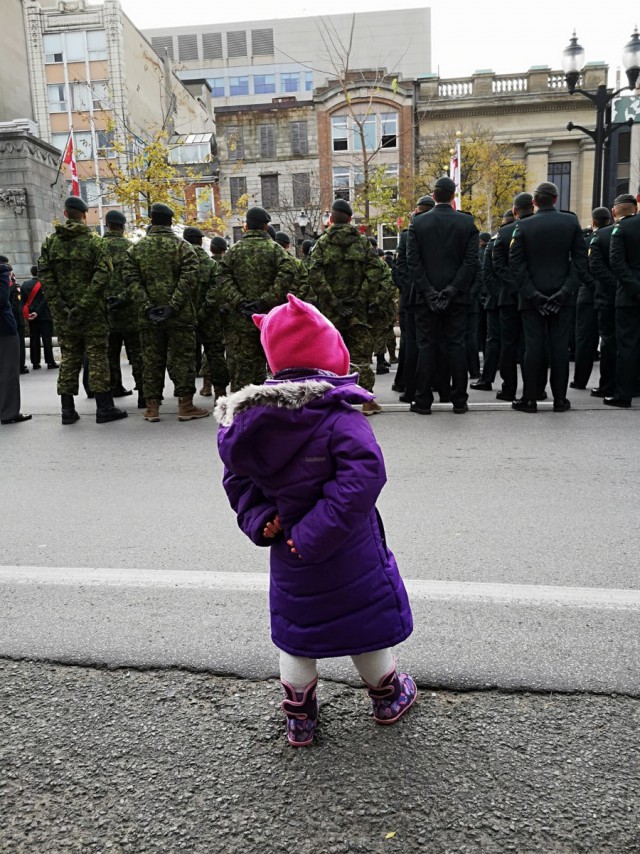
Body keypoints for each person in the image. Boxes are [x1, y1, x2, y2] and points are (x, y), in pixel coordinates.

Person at [215, 293, 416, 747]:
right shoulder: (339, 418)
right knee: (366, 629)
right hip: (347, 548)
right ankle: (387, 697)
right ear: (331, 356)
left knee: (297, 635)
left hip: (288, 550)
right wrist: (315, 534)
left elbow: (238, 481)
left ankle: (300, 718)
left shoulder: (253, 424)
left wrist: (261, 517)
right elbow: (365, 476)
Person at [38, 195, 127, 425]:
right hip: (92, 313)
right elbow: (102, 276)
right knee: (97, 357)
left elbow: (45, 278)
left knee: (69, 358)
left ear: (66, 214)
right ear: (85, 215)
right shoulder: (95, 243)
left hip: (64, 315)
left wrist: (61, 306)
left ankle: (67, 410)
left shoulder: (50, 244)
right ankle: (104, 407)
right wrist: (84, 305)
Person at [124, 202, 209, 422]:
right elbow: (190, 279)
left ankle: (152, 408)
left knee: (151, 360)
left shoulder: (136, 249)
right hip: (179, 317)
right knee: (182, 360)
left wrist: (147, 307)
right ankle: (185, 406)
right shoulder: (184, 248)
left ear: (151, 220)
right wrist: (173, 306)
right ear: (170, 221)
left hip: (149, 317)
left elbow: (131, 281)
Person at [509, 182, 588, 413]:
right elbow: (581, 262)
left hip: (533, 299)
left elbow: (516, 265)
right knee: (560, 349)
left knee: (533, 348)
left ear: (534, 202)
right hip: (562, 298)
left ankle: (530, 399)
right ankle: (560, 400)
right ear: (555, 199)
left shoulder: (523, 226)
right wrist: (564, 292)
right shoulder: (571, 221)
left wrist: (533, 295)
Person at [406, 176, 479, 414]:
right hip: (456, 297)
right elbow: (470, 263)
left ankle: (423, 400)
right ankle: (459, 400)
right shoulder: (467, 223)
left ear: (434, 196)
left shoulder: (418, 224)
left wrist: (429, 292)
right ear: (452, 196)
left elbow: (413, 263)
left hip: (426, 298)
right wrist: (451, 291)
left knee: (426, 346)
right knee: (456, 345)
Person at [308, 198, 388, 415]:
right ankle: (367, 401)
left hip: (331, 312)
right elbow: (376, 270)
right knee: (361, 354)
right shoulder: (362, 243)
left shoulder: (322, 244)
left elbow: (314, 274)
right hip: (357, 310)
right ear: (351, 219)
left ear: (331, 219)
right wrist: (359, 297)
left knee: (329, 356)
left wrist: (334, 301)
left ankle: (332, 400)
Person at [216, 206, 298, 392]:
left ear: (246, 226)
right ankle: (265, 409)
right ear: (265, 226)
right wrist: (264, 301)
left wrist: (239, 302)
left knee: (242, 369)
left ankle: (241, 412)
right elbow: (287, 276)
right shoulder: (276, 251)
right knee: (271, 365)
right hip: (269, 319)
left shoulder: (233, 252)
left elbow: (221, 278)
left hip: (240, 319)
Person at [589, 195, 633, 398]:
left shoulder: (604, 235)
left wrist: (617, 285)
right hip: (631, 294)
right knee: (631, 342)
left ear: (614, 212)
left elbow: (596, 266)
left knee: (609, 342)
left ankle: (608, 385)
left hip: (608, 296)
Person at [492, 193, 535, 401]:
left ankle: (509, 388)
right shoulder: (538, 229)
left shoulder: (505, 232)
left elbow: (498, 266)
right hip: (534, 297)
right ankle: (535, 388)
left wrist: (515, 287)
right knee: (532, 344)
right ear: (532, 207)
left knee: (508, 345)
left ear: (515, 210)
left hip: (510, 297)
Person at [103, 210, 145, 407]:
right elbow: (137, 281)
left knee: (109, 353)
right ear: (122, 226)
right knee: (136, 352)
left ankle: (113, 388)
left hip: (105, 312)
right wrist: (123, 298)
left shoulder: (98, 248)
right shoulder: (131, 248)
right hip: (129, 310)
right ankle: (143, 394)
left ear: (107, 224)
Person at [394, 195, 435, 401]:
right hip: (424, 295)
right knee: (424, 343)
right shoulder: (428, 231)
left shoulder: (411, 232)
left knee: (413, 344)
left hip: (414, 297)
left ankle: (410, 386)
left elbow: (400, 268)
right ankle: (418, 384)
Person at [605, 189, 640, 408]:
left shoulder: (621, 228)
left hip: (629, 296)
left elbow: (617, 263)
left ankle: (623, 394)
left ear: (615, 212)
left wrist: (635, 288)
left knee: (627, 345)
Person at [570, 207, 609, 390]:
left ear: (593, 222)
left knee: (585, 340)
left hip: (587, 295)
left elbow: (581, 269)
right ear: (609, 220)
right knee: (610, 340)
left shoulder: (587, 242)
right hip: (610, 293)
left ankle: (580, 380)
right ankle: (607, 382)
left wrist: (592, 284)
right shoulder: (612, 237)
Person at [198, 235, 230, 399]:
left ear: (211, 249)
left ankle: (206, 385)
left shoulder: (201, 264)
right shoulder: (226, 265)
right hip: (224, 313)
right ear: (224, 249)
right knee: (220, 352)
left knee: (208, 352)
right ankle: (221, 391)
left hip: (206, 315)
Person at [0, 260, 31, 425]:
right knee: (8, 372)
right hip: (3, 328)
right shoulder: (2, 271)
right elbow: (2, 299)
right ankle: (9, 412)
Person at [20, 265, 58, 370]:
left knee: (34, 339)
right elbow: (44, 301)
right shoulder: (44, 284)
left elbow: (23, 302)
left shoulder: (25, 285)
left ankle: (35, 363)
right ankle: (50, 362)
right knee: (47, 339)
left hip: (32, 317)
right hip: (45, 316)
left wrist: (29, 313)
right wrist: (37, 312)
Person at [468, 232, 493, 386]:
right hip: (478, 299)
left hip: (467, 300)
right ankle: (475, 370)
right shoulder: (474, 256)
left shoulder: (474, 255)